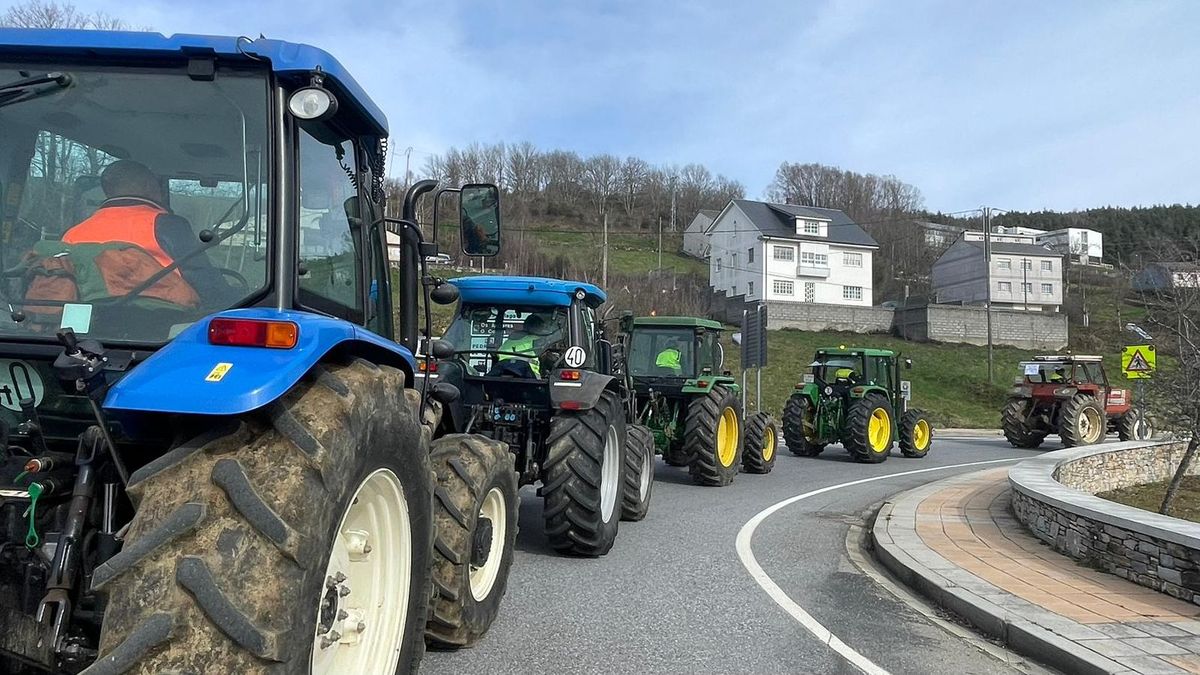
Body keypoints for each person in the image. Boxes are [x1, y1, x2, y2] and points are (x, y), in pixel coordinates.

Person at [62, 159, 230, 302]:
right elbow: (204, 283)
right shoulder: (169, 226)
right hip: (159, 325)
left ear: (108, 191)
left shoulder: (72, 234)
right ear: (149, 186)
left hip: (84, 327)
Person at [498, 312, 558, 377]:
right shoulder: (537, 341)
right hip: (528, 376)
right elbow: (548, 358)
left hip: (502, 373)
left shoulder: (509, 341)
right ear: (537, 328)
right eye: (542, 327)